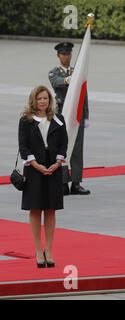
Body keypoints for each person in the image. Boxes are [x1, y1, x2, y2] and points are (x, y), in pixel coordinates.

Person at [18, 86, 68, 268]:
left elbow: (64, 143)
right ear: (34, 100)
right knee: (35, 208)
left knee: (51, 209)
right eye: (39, 98)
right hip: (34, 168)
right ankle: (38, 250)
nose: (43, 101)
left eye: (45, 98)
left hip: (53, 166)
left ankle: (49, 249)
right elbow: (23, 146)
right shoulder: (26, 120)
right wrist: (35, 164)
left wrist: (58, 162)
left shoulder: (58, 119)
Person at [48, 42, 90, 196]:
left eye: (68, 54)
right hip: (62, 114)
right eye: (63, 54)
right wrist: (67, 80)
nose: (66, 56)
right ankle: (63, 182)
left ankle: (77, 182)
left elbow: (84, 95)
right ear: (58, 56)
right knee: (63, 149)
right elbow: (55, 82)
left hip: (77, 115)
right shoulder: (55, 72)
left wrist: (86, 116)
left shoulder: (77, 72)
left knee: (77, 149)